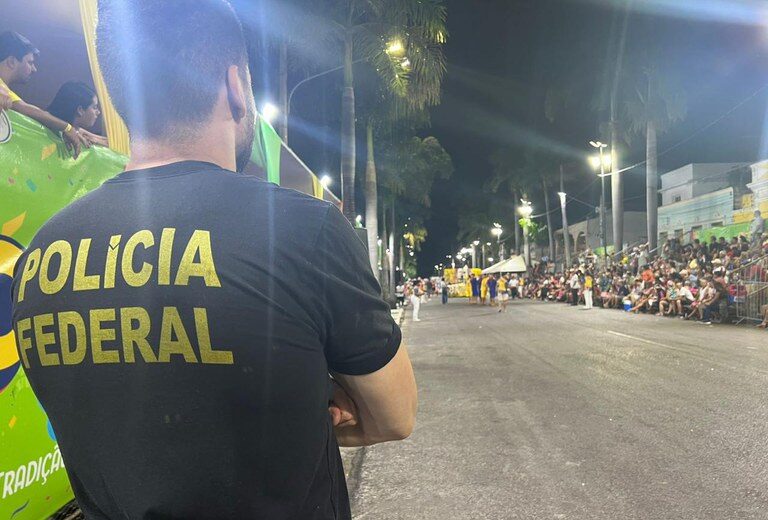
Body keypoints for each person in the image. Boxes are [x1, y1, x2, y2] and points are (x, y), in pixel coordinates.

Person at [11, 2, 416, 519]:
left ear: (122, 97)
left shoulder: (38, 257)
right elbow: (394, 416)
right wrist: (304, 408)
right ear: (235, 86)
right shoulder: (301, 229)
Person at [0, 31, 94, 157]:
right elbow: (26, 110)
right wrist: (67, 127)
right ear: (11, 61)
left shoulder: (5, 90)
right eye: (30, 62)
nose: (34, 69)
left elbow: (27, 108)